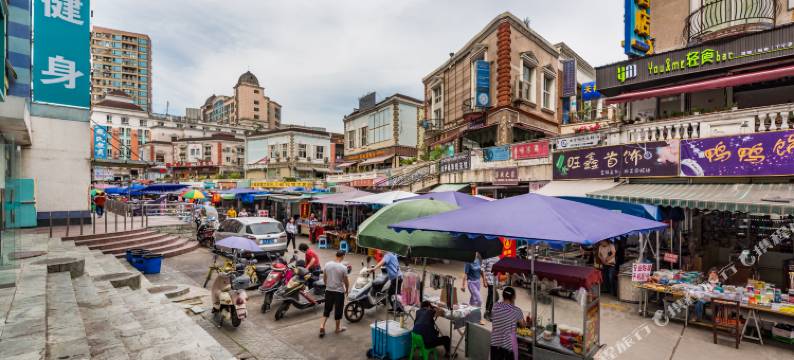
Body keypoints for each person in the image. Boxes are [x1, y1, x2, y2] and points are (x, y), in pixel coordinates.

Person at [490, 287, 526, 360]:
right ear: (513, 297)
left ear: (503, 296)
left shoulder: (495, 306)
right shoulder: (517, 311)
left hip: (495, 342)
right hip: (508, 345)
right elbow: (523, 325)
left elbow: (496, 319)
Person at [320, 250, 350, 338]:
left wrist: (327, 285)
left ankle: (322, 326)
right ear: (343, 256)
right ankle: (337, 329)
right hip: (339, 292)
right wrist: (347, 289)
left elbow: (324, 277)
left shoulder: (327, 264)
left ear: (336, 255)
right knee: (338, 310)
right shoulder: (343, 268)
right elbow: (346, 281)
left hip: (329, 290)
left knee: (327, 309)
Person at [481, 255, 500, 321]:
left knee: (490, 296)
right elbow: (482, 269)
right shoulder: (486, 257)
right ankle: (488, 312)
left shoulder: (498, 257)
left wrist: (498, 282)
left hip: (495, 281)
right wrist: (484, 281)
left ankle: (487, 312)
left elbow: (498, 270)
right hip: (489, 280)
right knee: (496, 296)